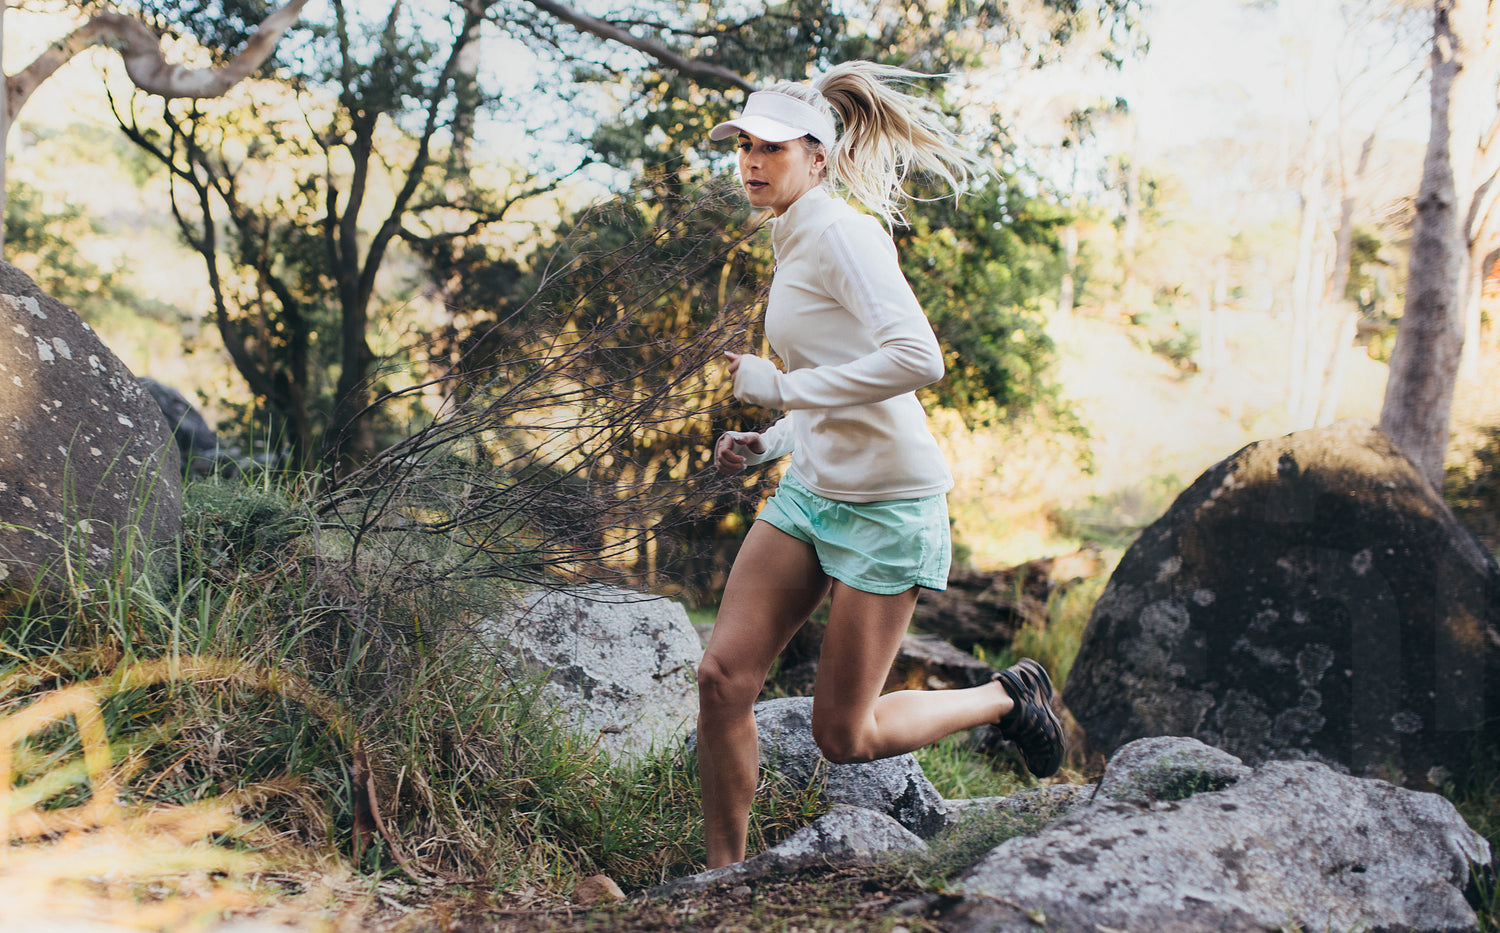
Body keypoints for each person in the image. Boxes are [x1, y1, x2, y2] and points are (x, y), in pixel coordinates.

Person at [696, 61, 1067, 869]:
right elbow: (836, 376)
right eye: (745, 145)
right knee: (723, 678)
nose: (752, 161)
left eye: (772, 147)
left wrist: (783, 386)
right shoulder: (791, 236)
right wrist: (772, 440)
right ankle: (722, 881)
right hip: (812, 491)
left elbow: (918, 358)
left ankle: (1005, 698)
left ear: (818, 157)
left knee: (844, 734)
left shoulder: (842, 233)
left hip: (888, 504)